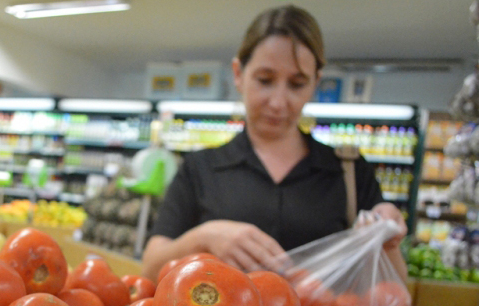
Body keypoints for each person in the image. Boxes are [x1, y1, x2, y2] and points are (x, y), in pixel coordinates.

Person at [142, 5, 407, 282]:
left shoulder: (349, 171)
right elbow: (150, 270)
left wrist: (387, 239)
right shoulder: (199, 169)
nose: (279, 102)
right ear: (238, 74)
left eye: (297, 84)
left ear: (315, 83)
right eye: (265, 80)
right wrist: (204, 237)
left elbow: (394, 288)